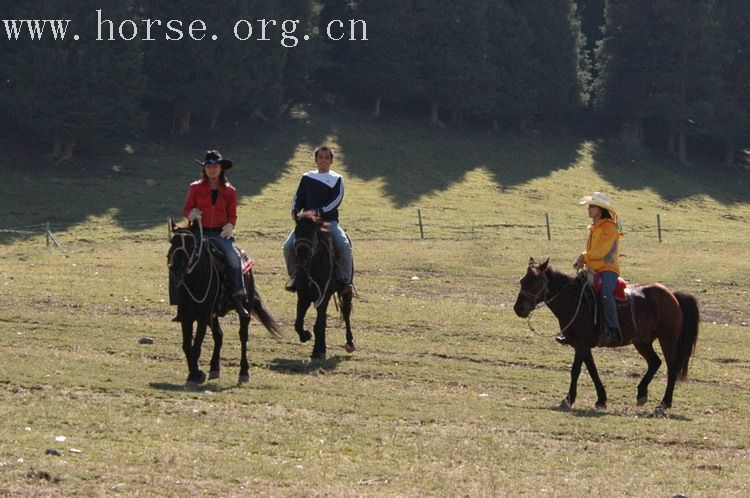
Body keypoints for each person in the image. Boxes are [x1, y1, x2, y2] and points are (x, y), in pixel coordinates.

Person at [175, 150, 249, 319]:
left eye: (215, 166)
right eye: (209, 166)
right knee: (178, 255)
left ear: (221, 168)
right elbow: (186, 209)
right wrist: (191, 214)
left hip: (220, 234)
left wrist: (231, 224)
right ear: (205, 169)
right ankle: (180, 303)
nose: (212, 170)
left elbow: (232, 214)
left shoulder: (230, 191)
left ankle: (238, 298)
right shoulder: (195, 188)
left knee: (233, 256)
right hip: (198, 232)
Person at [283, 146, 353, 294]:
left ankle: (345, 280)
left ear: (331, 161)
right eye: (320, 157)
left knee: (344, 245)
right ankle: (294, 277)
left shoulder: (337, 179)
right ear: (316, 160)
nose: (323, 160)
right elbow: (298, 197)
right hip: (307, 223)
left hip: (328, 222)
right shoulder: (307, 177)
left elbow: (336, 201)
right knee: (288, 246)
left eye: (327, 157)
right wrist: (295, 210)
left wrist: (319, 211)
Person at [559, 192, 624, 346]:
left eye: (592, 206)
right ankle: (571, 331)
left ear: (600, 210)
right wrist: (583, 257)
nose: (588, 209)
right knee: (574, 292)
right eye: (589, 206)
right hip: (593, 269)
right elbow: (592, 251)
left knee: (606, 294)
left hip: (608, 269)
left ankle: (614, 330)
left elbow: (602, 251)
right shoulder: (594, 227)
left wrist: (584, 257)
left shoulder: (609, 227)